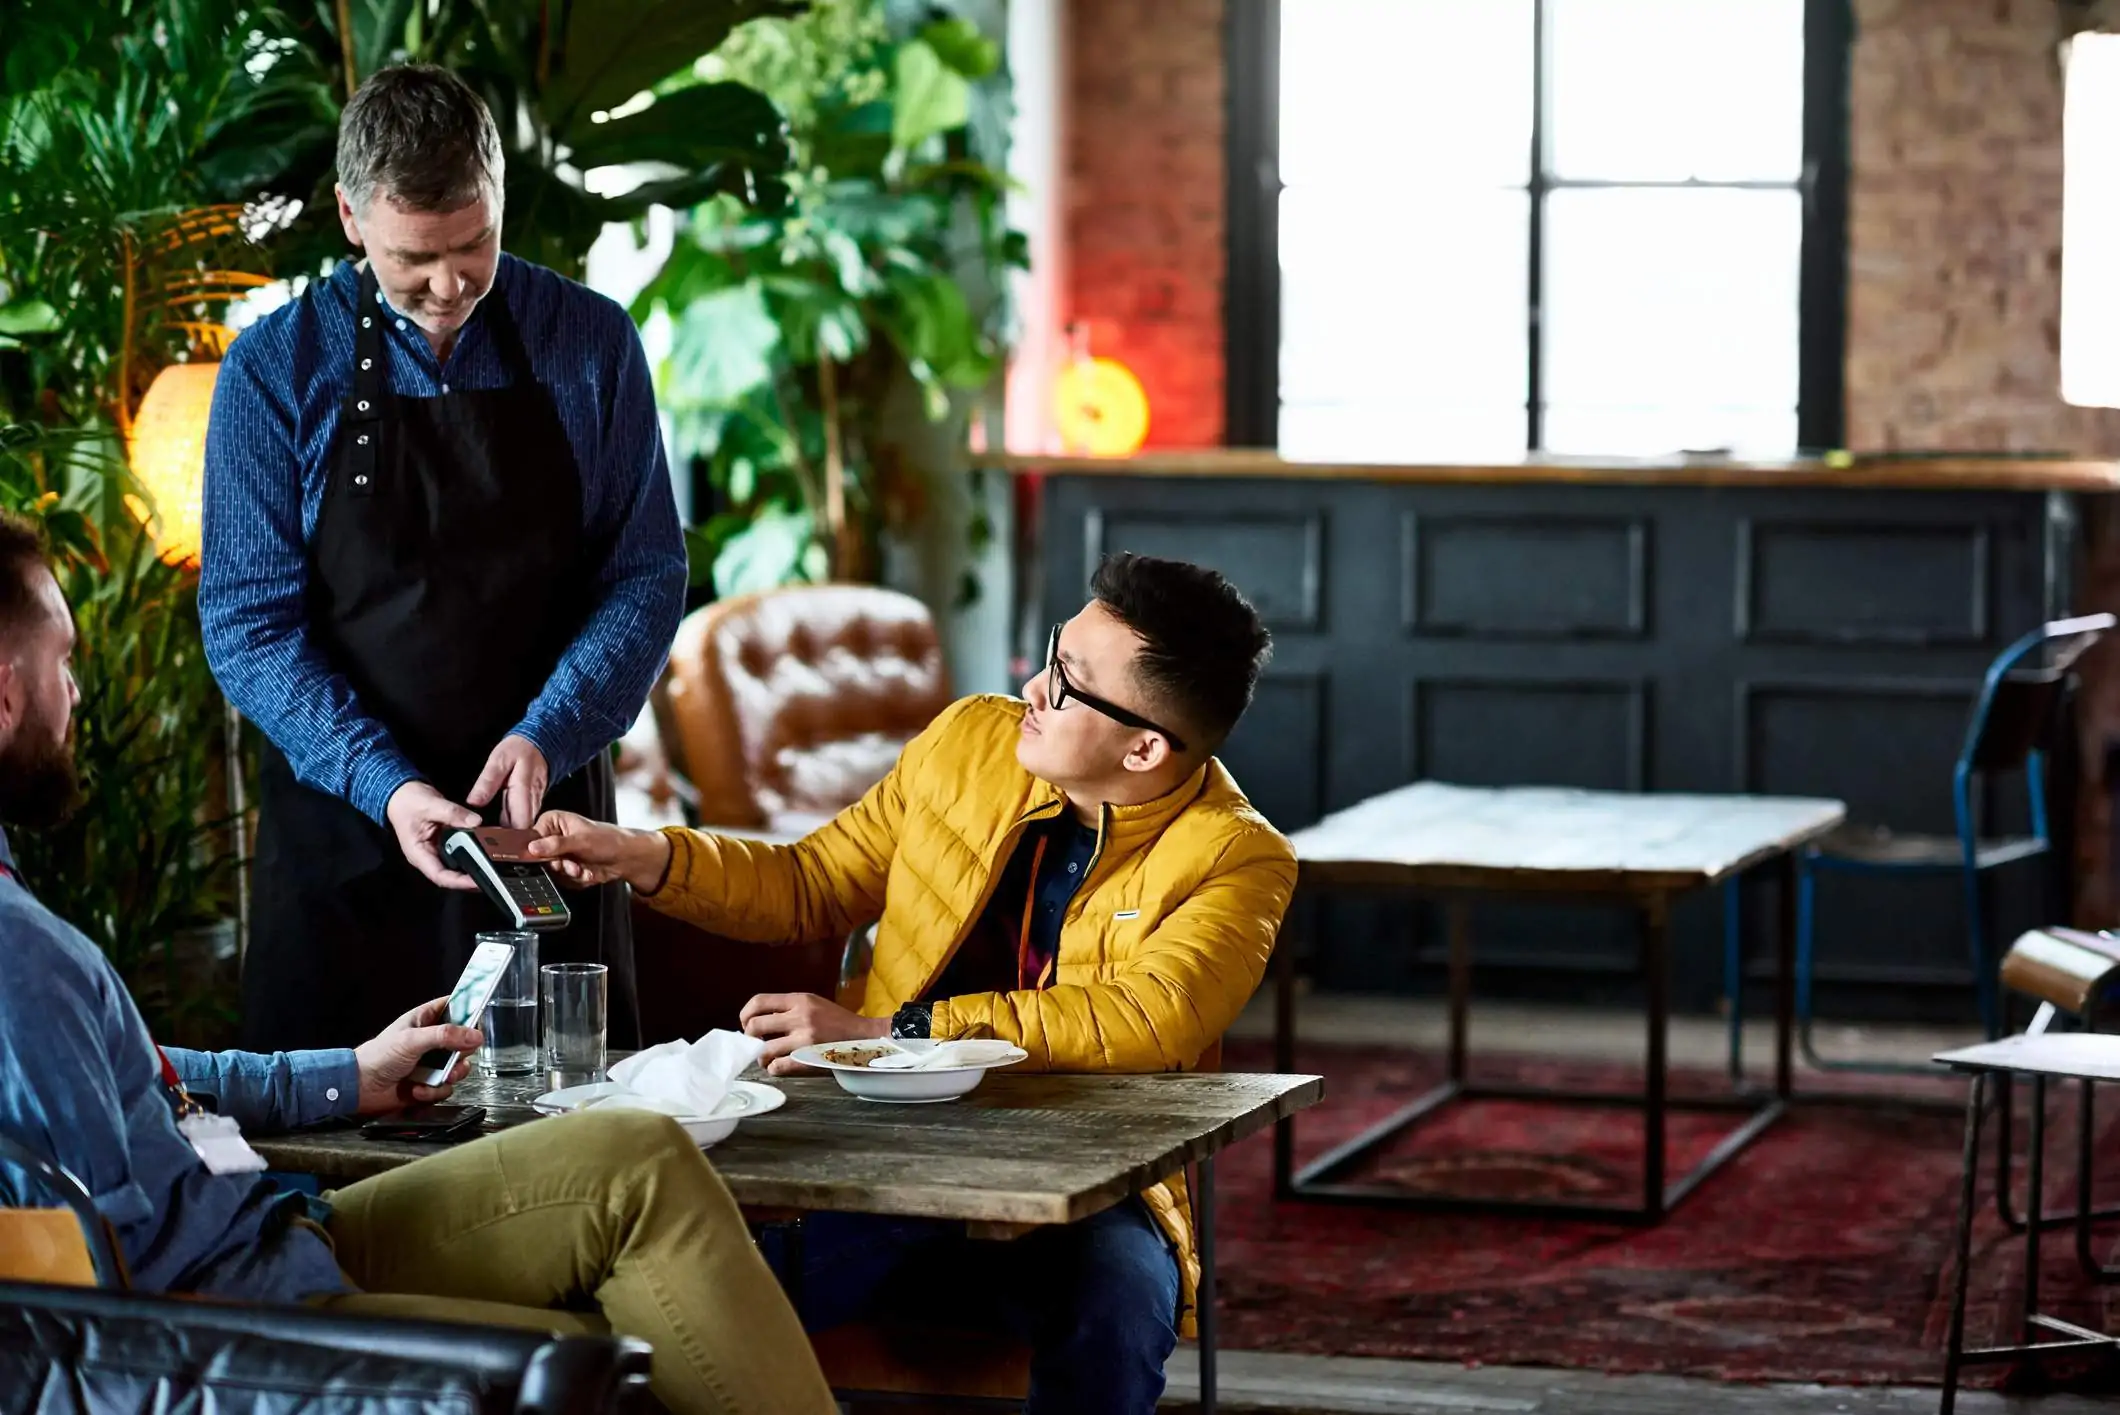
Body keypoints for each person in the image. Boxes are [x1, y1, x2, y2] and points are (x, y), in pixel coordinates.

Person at [0, 513, 832, 1415]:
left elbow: (141, 1083)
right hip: (248, 1322)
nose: (76, 693)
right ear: (4, 696)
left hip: (273, 1232)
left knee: (636, 1155)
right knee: (597, 1351)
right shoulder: (18, 959)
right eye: (64, 662)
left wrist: (346, 1076)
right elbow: (101, 1320)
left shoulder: (25, 938)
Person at [530, 552, 1296, 1415]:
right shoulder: (971, 741)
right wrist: (649, 852)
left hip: (1087, 1171)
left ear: (1145, 745)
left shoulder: (1238, 856)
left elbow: (1147, 1017)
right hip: (891, 1136)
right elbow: (813, 881)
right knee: (751, 1272)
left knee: (1120, 1297)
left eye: (1068, 682)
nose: (1034, 688)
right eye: (1052, 652)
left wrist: (891, 1032)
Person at [199, 63, 686, 1052]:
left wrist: (550, 730)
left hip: (539, 830)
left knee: (568, 1152)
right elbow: (247, 622)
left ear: (500, 197)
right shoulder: (272, 368)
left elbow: (644, 573)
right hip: (348, 844)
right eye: (414, 258)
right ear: (349, 215)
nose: (451, 282)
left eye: (475, 245)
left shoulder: (590, 343)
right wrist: (382, 778)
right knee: (347, 1179)